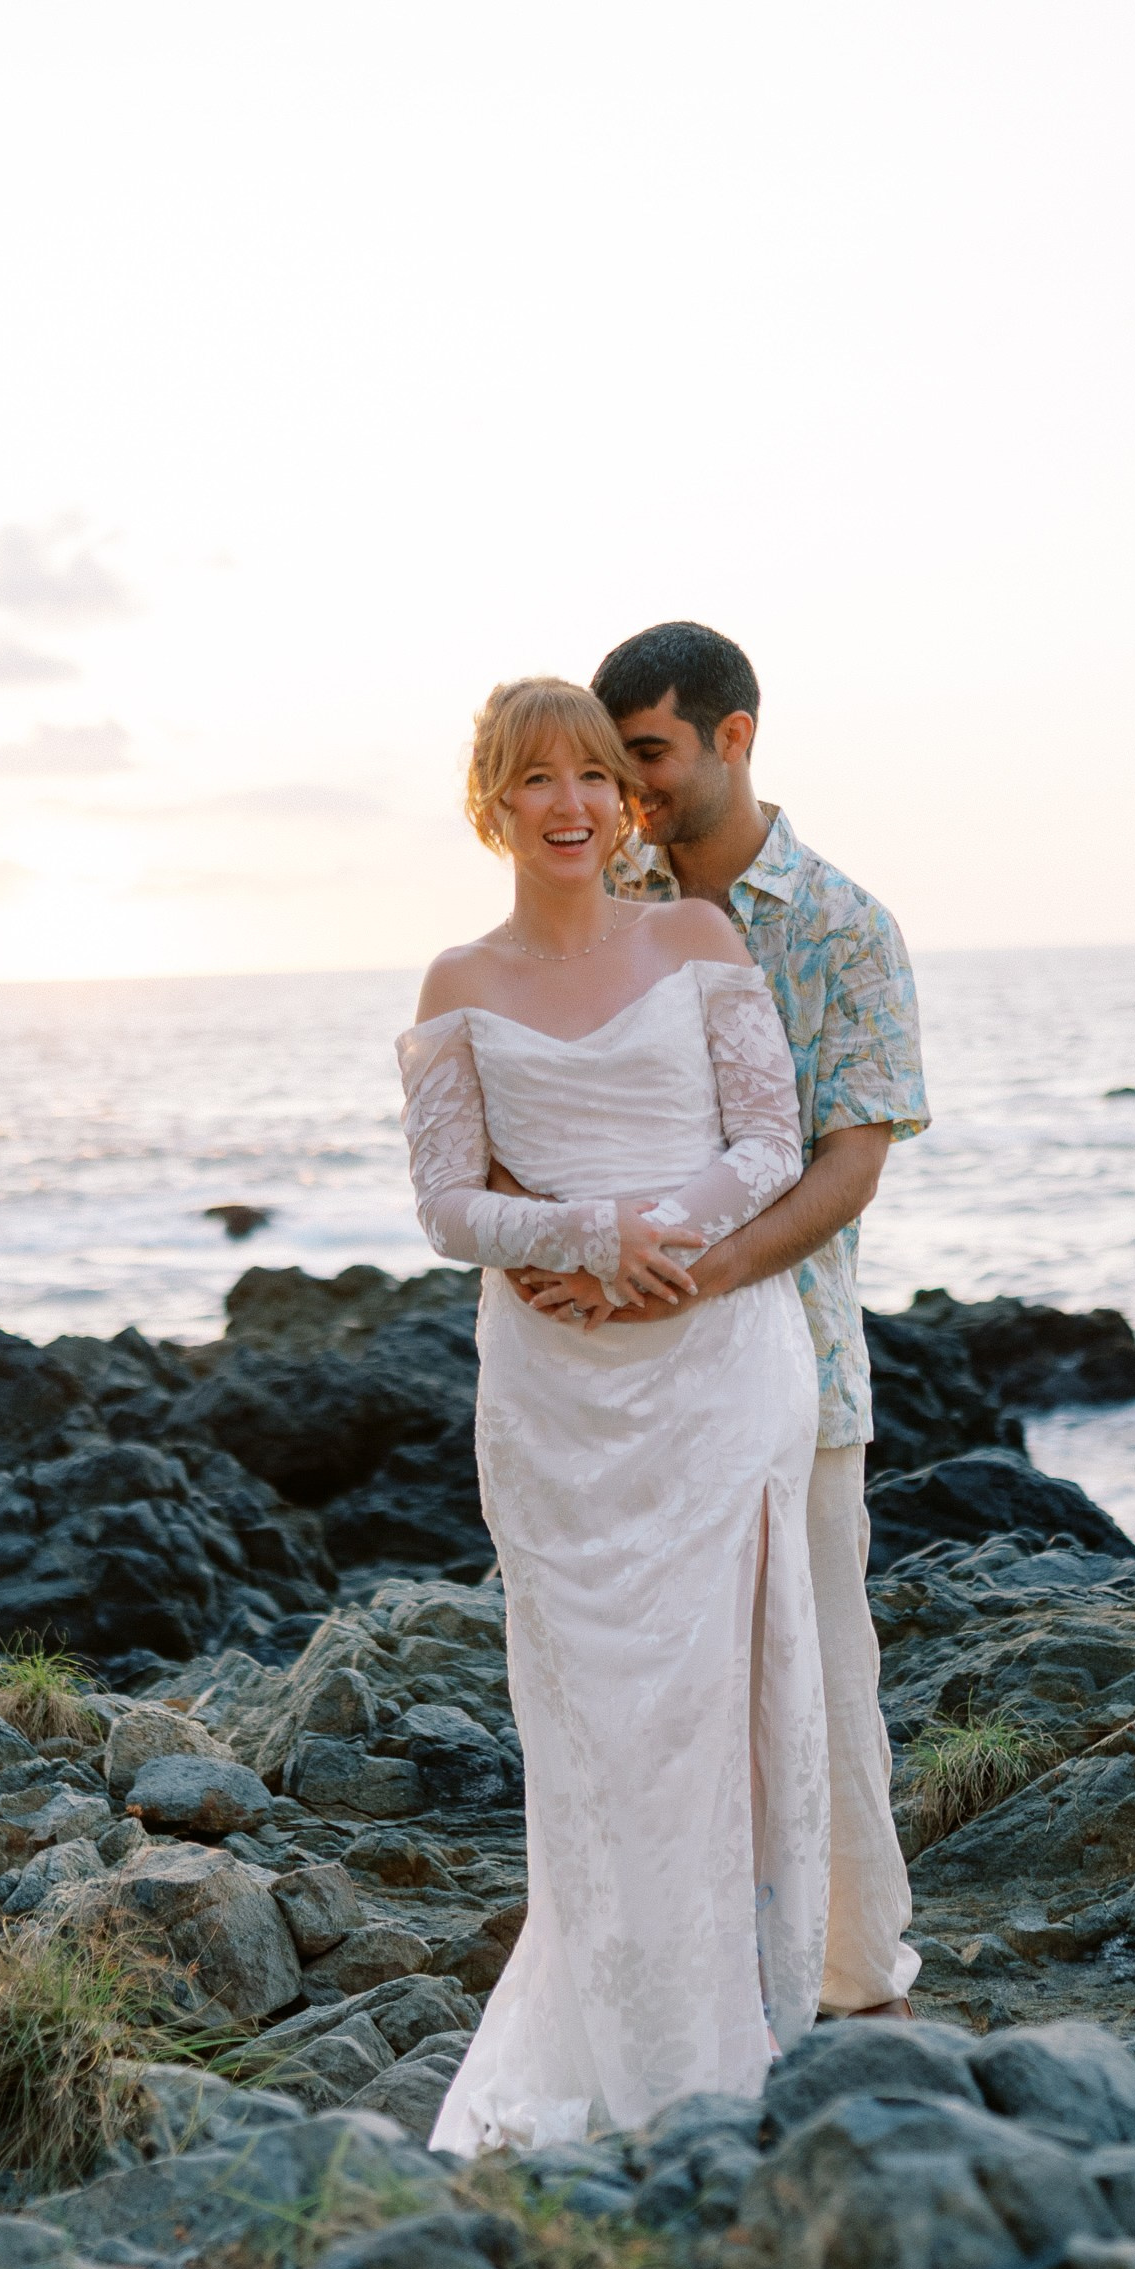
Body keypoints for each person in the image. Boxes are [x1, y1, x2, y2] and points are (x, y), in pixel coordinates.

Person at [397, 676, 830, 2154]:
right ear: (492, 805)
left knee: (707, 1706)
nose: (571, 803)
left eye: (594, 773)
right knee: (593, 1721)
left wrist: (664, 1252)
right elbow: (451, 1207)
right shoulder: (457, 982)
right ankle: (608, 2035)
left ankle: (731, 2038)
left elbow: (770, 1138)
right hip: (555, 1403)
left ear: (620, 797)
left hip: (716, 1372)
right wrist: (590, 1239)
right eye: (536, 781)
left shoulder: (696, 940)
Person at [504, 622, 927, 2021]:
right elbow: (520, 1081)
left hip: (790, 1357)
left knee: (821, 1675)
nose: (622, 793)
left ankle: (855, 1976)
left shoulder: (849, 928)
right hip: (612, 1379)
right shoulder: (601, 886)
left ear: (732, 740)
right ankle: (680, 1981)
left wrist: (703, 1270)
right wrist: (544, 1248)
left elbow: (850, 1162)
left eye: (646, 758)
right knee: (656, 1693)